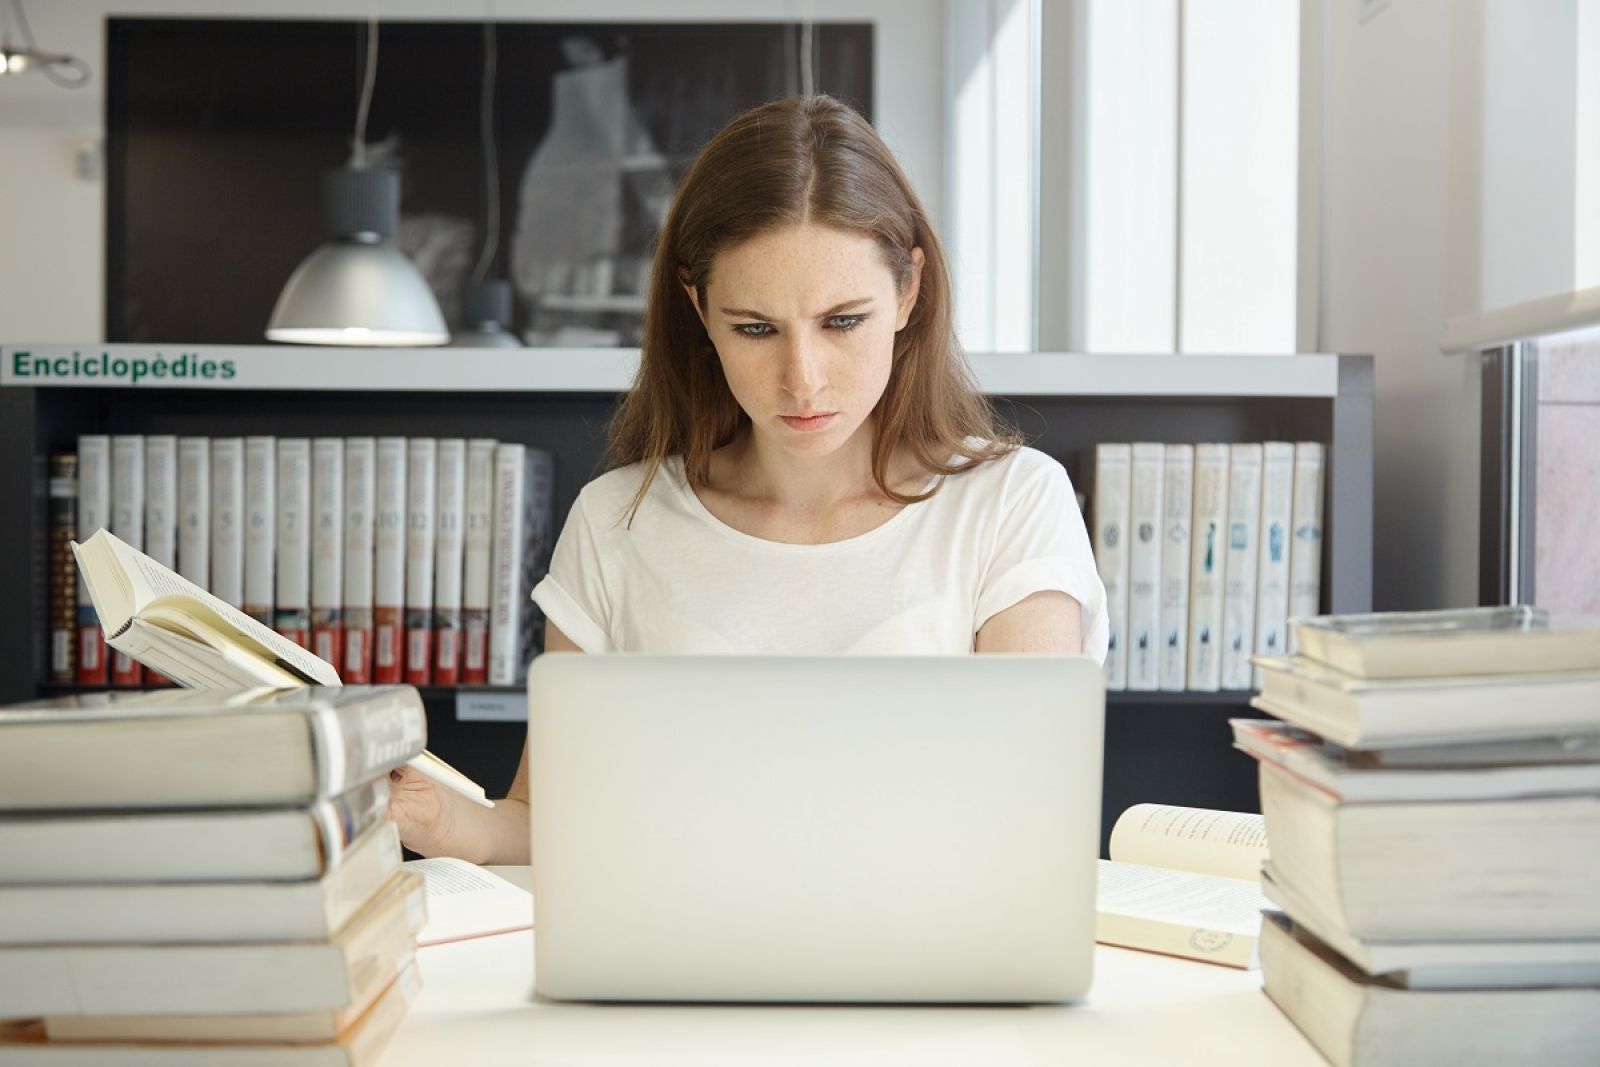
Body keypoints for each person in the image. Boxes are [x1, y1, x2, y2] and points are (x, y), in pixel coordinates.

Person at [390, 94, 1109, 864]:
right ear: (699, 309)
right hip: (676, 964)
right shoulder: (618, 520)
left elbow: (1033, 819)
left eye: (842, 322)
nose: (802, 379)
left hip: (931, 969)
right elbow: (546, 824)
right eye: (755, 329)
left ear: (908, 293)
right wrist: (435, 819)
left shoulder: (1011, 504)